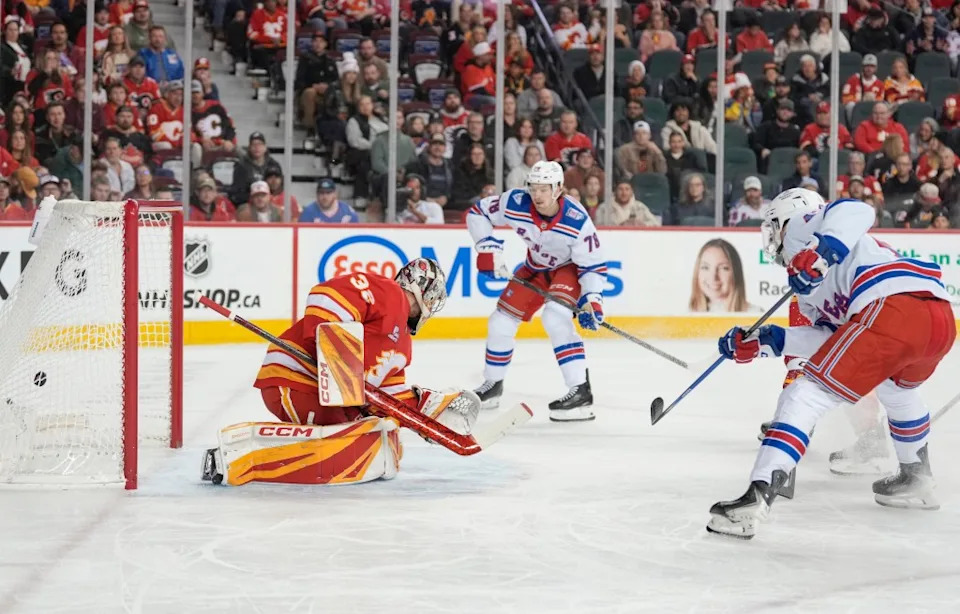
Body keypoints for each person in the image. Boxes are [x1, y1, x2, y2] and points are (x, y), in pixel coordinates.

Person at [710, 188, 955, 538]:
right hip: (936, 319)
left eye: (772, 226)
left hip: (891, 308)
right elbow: (834, 339)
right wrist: (767, 341)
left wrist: (821, 253)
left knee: (803, 394)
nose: (773, 236)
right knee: (896, 391)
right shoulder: (806, 288)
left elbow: (858, 210)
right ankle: (916, 477)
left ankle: (756, 497)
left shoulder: (803, 228)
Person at [202, 258, 456, 486]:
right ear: (421, 288)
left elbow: (387, 399)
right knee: (349, 441)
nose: (432, 305)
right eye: (433, 297)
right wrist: (334, 353)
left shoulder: (403, 345)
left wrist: (425, 416)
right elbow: (326, 295)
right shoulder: (389, 294)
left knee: (379, 433)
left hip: (324, 397)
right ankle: (240, 458)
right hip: (295, 379)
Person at [467, 161, 607, 422]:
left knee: (555, 317)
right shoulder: (515, 202)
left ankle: (581, 392)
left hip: (569, 271)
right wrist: (487, 247)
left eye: (544, 189)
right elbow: (478, 212)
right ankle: (493, 385)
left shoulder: (576, 220)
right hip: (534, 268)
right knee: (500, 322)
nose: (538, 195)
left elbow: (593, 266)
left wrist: (592, 301)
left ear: (558, 189)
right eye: (534, 188)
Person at [689, 238, 753, 312]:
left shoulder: (754, 314)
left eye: (723, 268)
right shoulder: (686, 314)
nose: (713, 277)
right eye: (705, 267)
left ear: (736, 273)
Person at [230, 131, 282, 205]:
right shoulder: (241, 166)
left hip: (271, 203)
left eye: (260, 144)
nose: (257, 147)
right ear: (249, 148)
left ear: (265, 147)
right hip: (248, 204)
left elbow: (280, 188)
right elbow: (237, 192)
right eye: (253, 144)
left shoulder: (274, 165)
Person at [752, 99, 801, 173]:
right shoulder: (766, 126)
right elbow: (755, 143)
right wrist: (762, 149)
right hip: (768, 164)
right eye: (782, 109)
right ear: (777, 111)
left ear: (792, 114)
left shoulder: (795, 131)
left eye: (788, 110)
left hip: (789, 164)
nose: (785, 112)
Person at [594, 181, 660, 227]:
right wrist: (620, 226)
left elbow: (656, 224)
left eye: (627, 189)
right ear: (615, 191)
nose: (624, 193)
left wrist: (642, 224)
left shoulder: (640, 207)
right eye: (620, 189)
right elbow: (596, 226)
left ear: (631, 192)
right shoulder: (604, 208)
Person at [450, 142, 493, 213]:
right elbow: (460, 193)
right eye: (474, 154)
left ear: (484, 156)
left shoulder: (489, 171)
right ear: (469, 156)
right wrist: (481, 194)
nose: (477, 157)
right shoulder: (461, 170)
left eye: (480, 154)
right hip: (467, 201)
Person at [665, 130, 706, 202]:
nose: (676, 145)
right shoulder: (664, 157)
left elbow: (699, 173)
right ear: (669, 143)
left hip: (688, 190)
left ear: (683, 143)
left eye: (679, 142)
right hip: (669, 189)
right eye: (673, 142)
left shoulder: (691, 156)